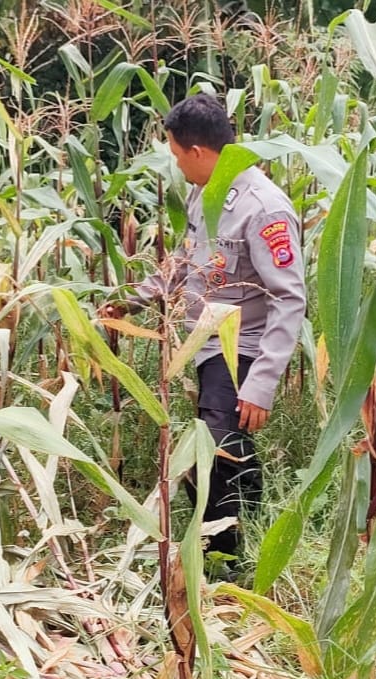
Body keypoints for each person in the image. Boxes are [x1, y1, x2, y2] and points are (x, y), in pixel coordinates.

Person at [101, 93, 306, 561]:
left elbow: (289, 298)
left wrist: (261, 384)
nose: (176, 165)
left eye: (177, 155)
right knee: (229, 445)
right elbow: (185, 260)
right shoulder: (204, 193)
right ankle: (250, 528)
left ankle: (222, 559)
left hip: (241, 348)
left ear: (197, 151)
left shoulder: (263, 209)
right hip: (207, 343)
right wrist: (131, 301)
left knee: (209, 451)